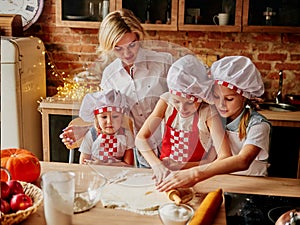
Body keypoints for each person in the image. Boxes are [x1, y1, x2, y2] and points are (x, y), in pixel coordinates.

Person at [60, 8, 174, 167]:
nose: (127, 53)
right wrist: (86, 131)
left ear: (138, 38)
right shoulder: (110, 75)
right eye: (118, 48)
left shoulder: (164, 62)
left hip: (174, 147)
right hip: (144, 154)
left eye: (132, 45)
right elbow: (113, 118)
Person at [156, 56, 271, 192]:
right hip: (224, 182)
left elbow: (243, 160)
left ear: (245, 96)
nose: (221, 104)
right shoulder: (216, 119)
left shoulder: (258, 125)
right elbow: (212, 161)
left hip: (253, 186)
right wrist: (181, 165)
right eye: (216, 97)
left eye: (229, 99)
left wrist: (194, 174)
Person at [135, 54, 232, 184]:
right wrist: (157, 165)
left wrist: (183, 166)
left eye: (190, 103)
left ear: (200, 97)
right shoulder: (166, 102)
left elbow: (224, 157)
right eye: (177, 101)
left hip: (198, 177)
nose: (182, 108)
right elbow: (140, 139)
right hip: (165, 175)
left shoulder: (208, 113)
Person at [78, 89, 134, 166]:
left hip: (119, 174)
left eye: (115, 116)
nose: (109, 121)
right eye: (104, 117)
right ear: (97, 119)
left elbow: (129, 164)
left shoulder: (126, 135)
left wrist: (105, 165)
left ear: (122, 118)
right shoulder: (91, 135)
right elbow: (83, 163)